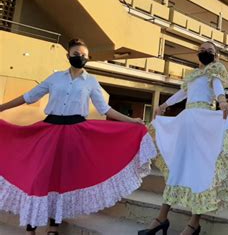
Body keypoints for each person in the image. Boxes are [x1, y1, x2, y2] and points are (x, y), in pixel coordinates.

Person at [0, 38, 157, 234]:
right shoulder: (55, 78)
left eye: (83, 55)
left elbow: (105, 109)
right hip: (48, 131)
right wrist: (1, 107)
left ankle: (53, 225)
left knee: (61, 179)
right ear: (68, 56)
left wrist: (131, 121)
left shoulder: (91, 81)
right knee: (38, 177)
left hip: (75, 134)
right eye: (76, 54)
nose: (80, 57)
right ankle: (31, 226)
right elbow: (28, 97)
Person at [139, 41, 228, 235]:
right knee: (178, 167)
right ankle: (161, 218)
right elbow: (182, 93)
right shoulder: (193, 75)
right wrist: (164, 105)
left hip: (203, 123)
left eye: (210, 51)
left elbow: (218, 86)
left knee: (202, 171)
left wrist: (222, 101)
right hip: (187, 123)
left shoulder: (215, 70)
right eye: (202, 50)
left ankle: (193, 224)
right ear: (197, 54)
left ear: (216, 55)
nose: (205, 53)